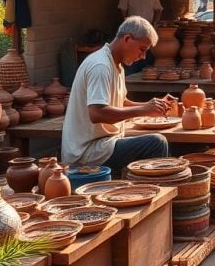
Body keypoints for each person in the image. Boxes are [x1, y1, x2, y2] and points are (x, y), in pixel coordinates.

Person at [62, 16, 170, 175]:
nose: (143, 57)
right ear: (127, 39)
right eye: (142, 49)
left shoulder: (115, 64)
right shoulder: (101, 66)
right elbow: (97, 113)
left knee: (156, 142)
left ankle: (141, 189)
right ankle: (154, 194)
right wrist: (144, 110)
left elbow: (121, 102)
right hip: (86, 153)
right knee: (157, 143)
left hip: (103, 144)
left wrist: (151, 106)